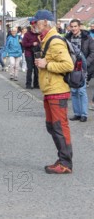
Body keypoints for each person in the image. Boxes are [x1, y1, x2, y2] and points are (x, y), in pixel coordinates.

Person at [33, 9, 74, 174]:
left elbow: (68, 65)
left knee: (59, 127)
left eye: (36, 22)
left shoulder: (55, 41)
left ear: (44, 22)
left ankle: (65, 163)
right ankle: (63, 158)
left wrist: (46, 64)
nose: (34, 25)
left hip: (57, 90)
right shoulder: (47, 39)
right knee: (52, 127)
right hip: (51, 90)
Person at [64, 19, 94, 122]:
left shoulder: (87, 37)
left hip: (83, 68)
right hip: (71, 67)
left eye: (75, 26)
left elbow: (92, 52)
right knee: (73, 91)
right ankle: (77, 113)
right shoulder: (67, 38)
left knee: (81, 91)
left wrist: (86, 64)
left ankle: (84, 114)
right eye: (72, 26)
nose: (73, 28)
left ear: (79, 26)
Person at [22, 23, 40, 89]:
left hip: (36, 53)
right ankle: (28, 84)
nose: (34, 29)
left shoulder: (38, 34)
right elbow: (24, 44)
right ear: (31, 28)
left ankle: (36, 84)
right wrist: (32, 44)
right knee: (29, 69)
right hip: (28, 53)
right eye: (33, 27)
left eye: (35, 28)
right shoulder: (27, 34)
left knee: (36, 69)